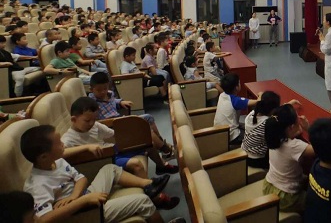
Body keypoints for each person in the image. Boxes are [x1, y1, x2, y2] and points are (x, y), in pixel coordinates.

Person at [21, 124, 183, 223]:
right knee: (143, 201)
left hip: (83, 197)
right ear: (44, 156)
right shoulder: (37, 185)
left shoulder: (57, 161)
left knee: (109, 168)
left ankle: (148, 184)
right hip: (83, 214)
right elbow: (43, 220)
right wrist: (82, 201)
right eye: (59, 144)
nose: (63, 145)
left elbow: (81, 179)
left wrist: (75, 196)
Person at [61, 97, 179, 210]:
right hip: (104, 160)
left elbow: (115, 134)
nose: (91, 123)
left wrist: (132, 133)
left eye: (94, 119)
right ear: (73, 120)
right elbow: (61, 154)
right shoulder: (68, 138)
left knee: (147, 142)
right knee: (136, 164)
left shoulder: (95, 126)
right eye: (87, 121)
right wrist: (86, 147)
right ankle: (156, 199)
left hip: (113, 150)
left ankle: (161, 166)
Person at [262, 104, 314, 213]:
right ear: (291, 127)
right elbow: (320, 148)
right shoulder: (294, 146)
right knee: (318, 201)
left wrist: (297, 129)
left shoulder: (274, 136)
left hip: (268, 186)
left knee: (306, 179)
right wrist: (308, 129)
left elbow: (293, 132)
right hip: (285, 197)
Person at [241, 91, 301, 169]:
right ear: (273, 110)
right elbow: (287, 134)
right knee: (282, 145)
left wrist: (287, 105)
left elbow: (276, 112)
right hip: (257, 160)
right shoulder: (267, 123)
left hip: (245, 153)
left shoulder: (252, 114)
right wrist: (297, 131)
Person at [213, 73, 260, 145]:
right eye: (239, 83)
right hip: (231, 136)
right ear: (236, 87)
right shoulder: (235, 101)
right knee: (256, 136)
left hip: (220, 131)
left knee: (247, 126)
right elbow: (258, 102)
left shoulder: (222, 95)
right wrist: (261, 94)